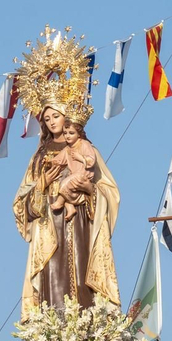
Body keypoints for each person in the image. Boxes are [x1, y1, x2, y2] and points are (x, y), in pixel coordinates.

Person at [12, 100, 122, 316]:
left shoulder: (87, 150)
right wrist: (42, 184)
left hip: (81, 223)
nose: (52, 122)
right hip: (49, 226)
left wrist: (90, 189)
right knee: (53, 276)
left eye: (56, 116)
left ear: (67, 117)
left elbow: (109, 193)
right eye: (46, 119)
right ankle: (53, 321)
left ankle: (86, 319)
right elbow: (21, 203)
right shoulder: (39, 157)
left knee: (81, 271)